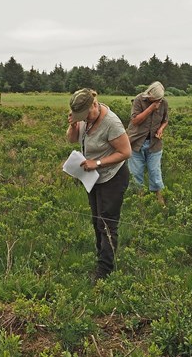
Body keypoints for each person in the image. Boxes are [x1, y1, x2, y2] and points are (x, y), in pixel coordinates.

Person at [66, 88, 131, 280]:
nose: (84, 119)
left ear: (94, 105)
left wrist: (98, 163)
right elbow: (71, 139)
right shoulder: (84, 118)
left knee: (107, 223)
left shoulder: (111, 123)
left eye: (85, 115)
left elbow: (126, 152)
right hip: (93, 178)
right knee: (97, 221)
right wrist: (73, 125)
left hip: (112, 177)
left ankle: (105, 271)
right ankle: (101, 259)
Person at [126, 81, 169, 205]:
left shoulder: (164, 103)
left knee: (155, 174)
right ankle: (139, 205)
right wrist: (151, 108)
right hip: (135, 143)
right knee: (136, 175)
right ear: (149, 94)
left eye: (159, 99)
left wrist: (161, 129)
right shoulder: (139, 100)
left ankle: (161, 204)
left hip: (154, 144)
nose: (157, 102)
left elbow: (165, 120)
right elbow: (135, 121)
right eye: (154, 99)